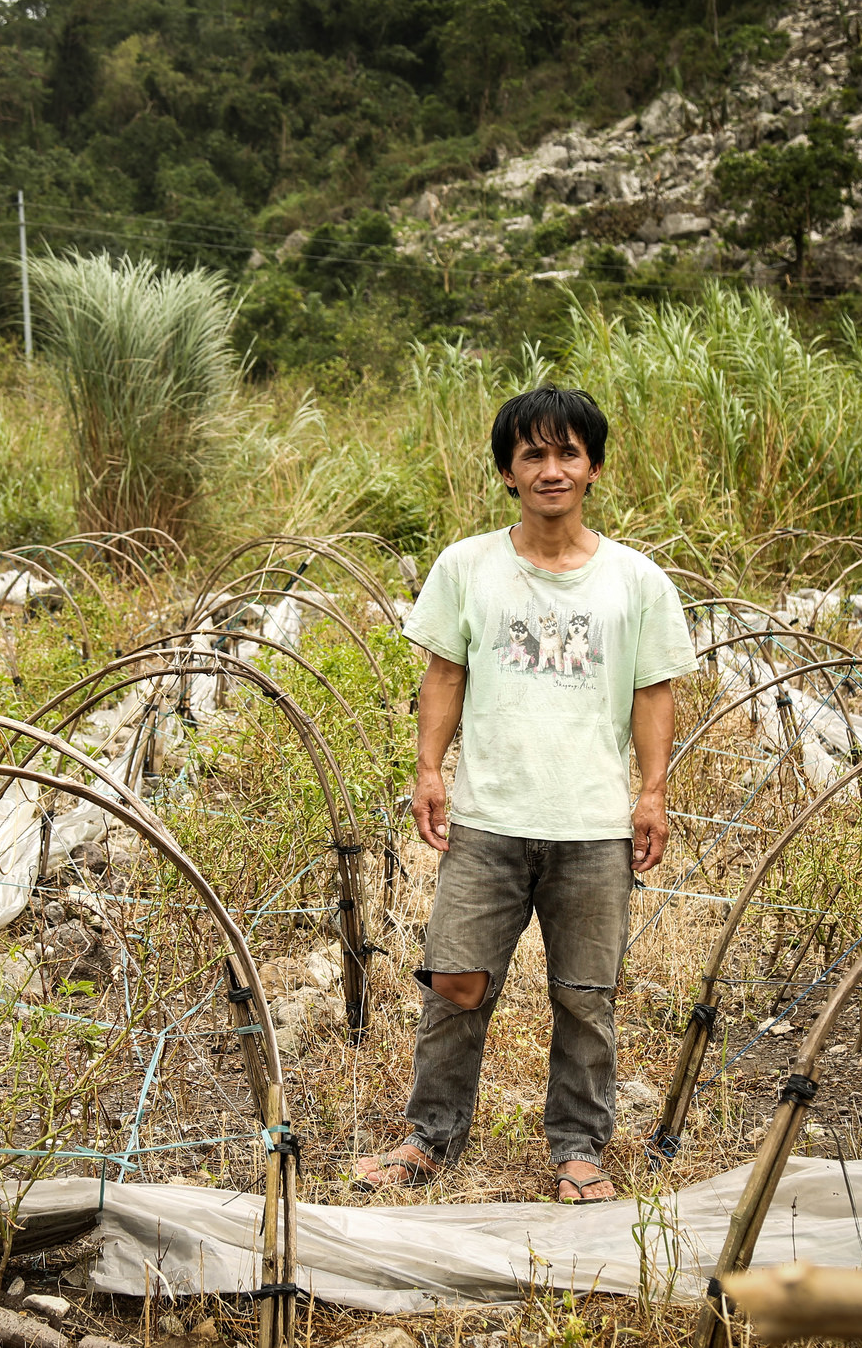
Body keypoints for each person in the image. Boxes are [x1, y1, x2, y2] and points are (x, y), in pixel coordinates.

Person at [352, 383, 695, 1203]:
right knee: (456, 983)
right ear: (507, 470)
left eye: (567, 452)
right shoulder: (468, 566)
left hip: (592, 822)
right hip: (490, 816)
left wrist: (652, 792)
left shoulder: (635, 581)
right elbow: (445, 672)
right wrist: (430, 769)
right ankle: (428, 1136)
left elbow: (654, 693)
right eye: (533, 453)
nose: (551, 468)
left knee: (585, 997)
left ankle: (578, 1146)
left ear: (595, 466)